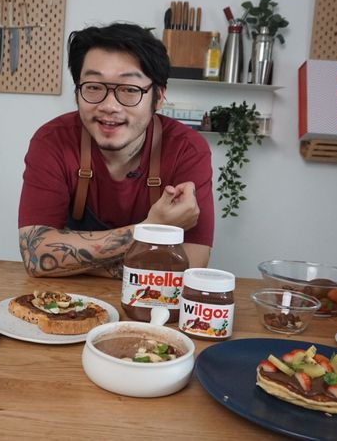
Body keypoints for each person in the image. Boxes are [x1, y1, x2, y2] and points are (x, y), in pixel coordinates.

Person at [18, 22, 214, 278]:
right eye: (93, 87)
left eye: (130, 90)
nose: (109, 106)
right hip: (67, 298)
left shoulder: (186, 149)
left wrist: (73, 262)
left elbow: (192, 264)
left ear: (158, 96)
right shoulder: (52, 140)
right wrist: (153, 227)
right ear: (77, 92)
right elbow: (37, 256)